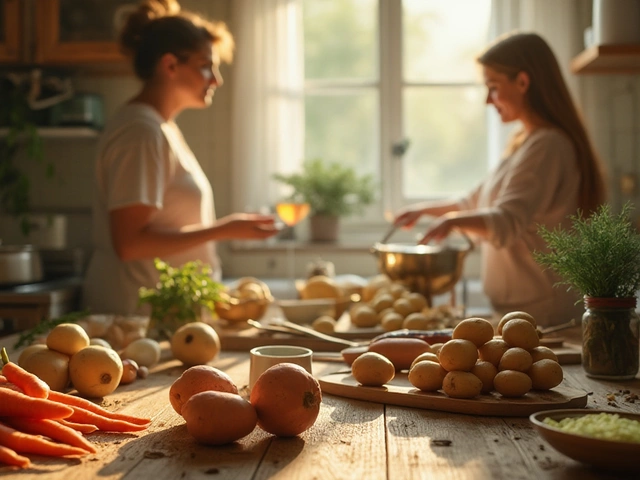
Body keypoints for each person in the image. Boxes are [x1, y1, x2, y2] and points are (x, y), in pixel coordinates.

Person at [393, 32, 607, 328]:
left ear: (522, 82)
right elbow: (472, 203)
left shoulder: (547, 146)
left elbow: (506, 221)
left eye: (493, 87)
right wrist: (425, 211)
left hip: (541, 314)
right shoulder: (526, 142)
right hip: (523, 310)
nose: (487, 100)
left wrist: (452, 222)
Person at [83, 0, 279, 315]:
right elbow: (130, 243)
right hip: (136, 319)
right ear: (170, 65)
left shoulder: (160, 127)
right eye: (206, 65)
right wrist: (225, 229)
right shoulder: (141, 132)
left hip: (163, 317)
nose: (216, 79)